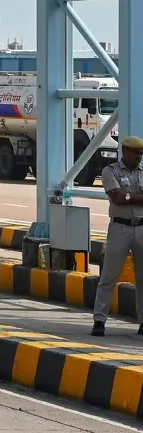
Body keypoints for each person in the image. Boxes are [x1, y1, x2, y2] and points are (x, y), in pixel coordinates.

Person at [93, 136, 143, 337]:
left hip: (141, 227)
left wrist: (128, 196)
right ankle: (99, 320)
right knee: (109, 276)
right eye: (135, 153)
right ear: (125, 151)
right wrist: (133, 198)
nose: (139, 157)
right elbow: (117, 199)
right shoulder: (110, 171)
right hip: (119, 228)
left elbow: (123, 197)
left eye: (141, 153)